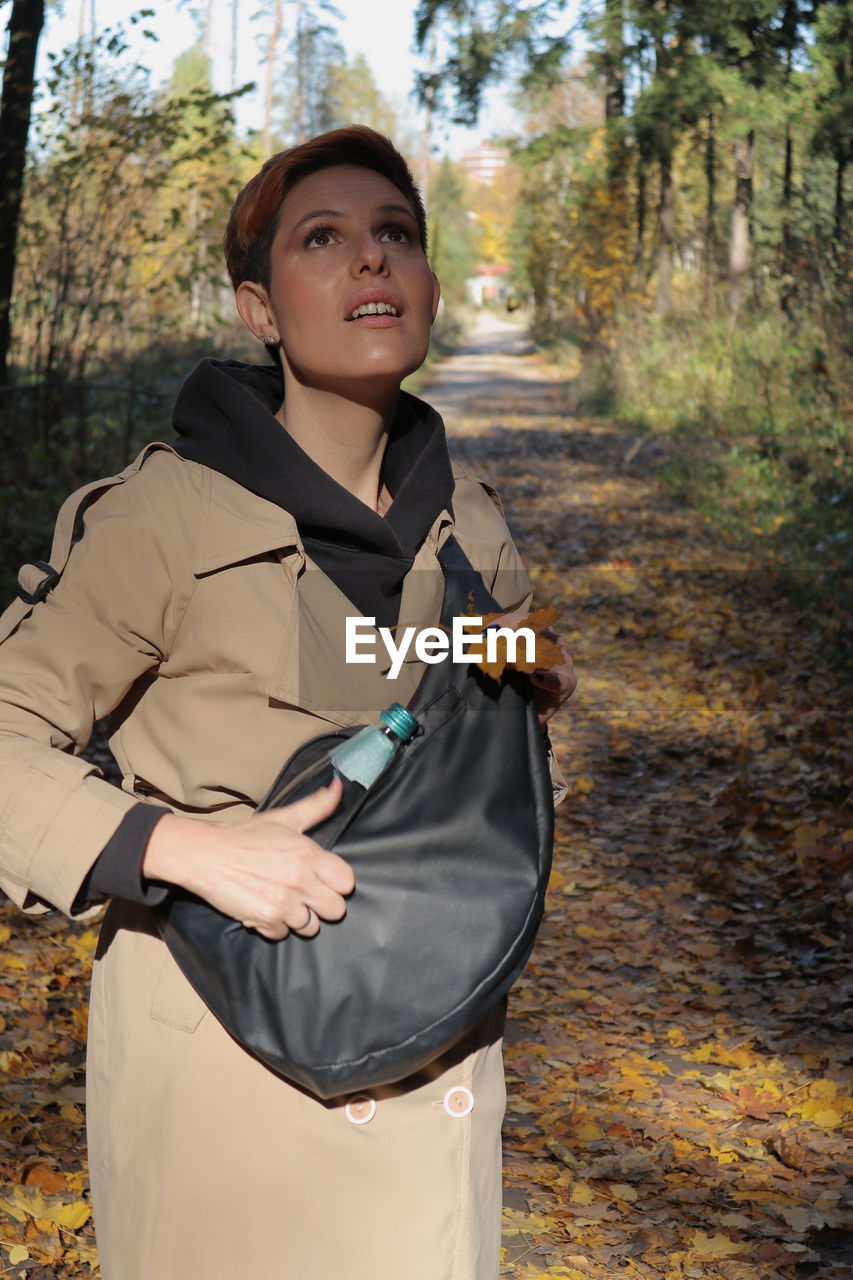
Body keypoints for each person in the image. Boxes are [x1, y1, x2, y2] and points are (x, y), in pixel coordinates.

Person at [0, 127, 575, 1279]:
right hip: (230, 1075)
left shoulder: (468, 509)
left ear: (427, 284)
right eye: (324, 239)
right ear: (260, 309)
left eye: (395, 236)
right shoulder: (163, 518)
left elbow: (476, 671)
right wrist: (179, 846)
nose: (371, 261)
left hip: (437, 1045)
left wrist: (523, 669)